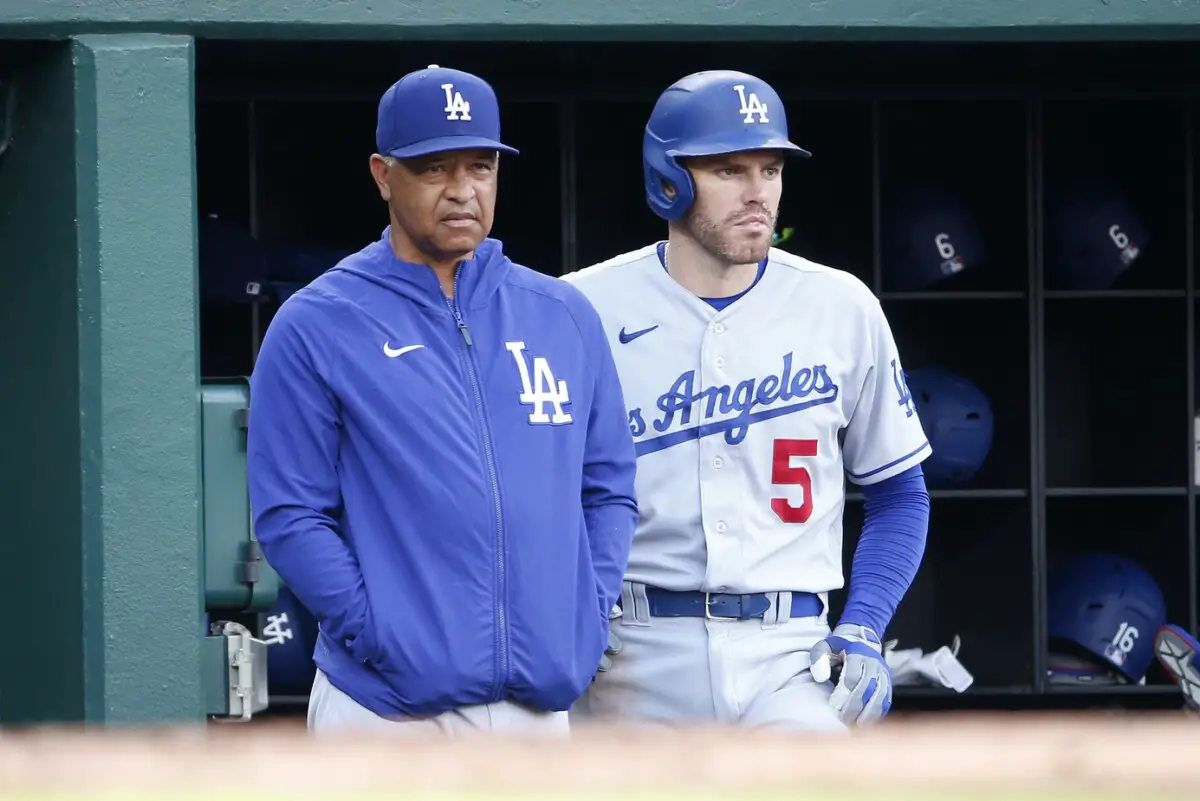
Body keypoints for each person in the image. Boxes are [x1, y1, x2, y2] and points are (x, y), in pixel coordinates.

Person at [246, 65, 639, 737]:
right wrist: (381, 635)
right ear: (382, 174)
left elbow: (609, 489)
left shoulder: (562, 313)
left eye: (481, 166)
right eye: (434, 169)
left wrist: (585, 613)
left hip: (537, 706)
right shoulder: (319, 321)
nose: (463, 191)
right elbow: (290, 515)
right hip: (385, 708)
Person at [563, 70, 932, 731]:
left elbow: (900, 492)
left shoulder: (841, 306)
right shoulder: (582, 308)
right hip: (632, 651)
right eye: (730, 169)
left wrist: (866, 626)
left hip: (791, 655)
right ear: (667, 178)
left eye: (771, 168)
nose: (759, 192)